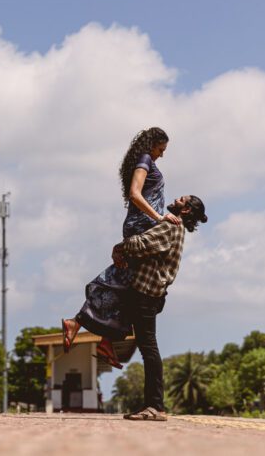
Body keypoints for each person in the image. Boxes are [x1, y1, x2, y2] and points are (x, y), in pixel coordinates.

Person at [62, 127, 180, 367]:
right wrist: (160, 218)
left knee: (129, 287)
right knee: (123, 281)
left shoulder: (144, 159)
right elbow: (135, 194)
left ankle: (105, 340)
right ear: (151, 145)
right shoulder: (145, 159)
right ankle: (77, 321)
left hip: (141, 227)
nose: (161, 155)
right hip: (140, 228)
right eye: (161, 149)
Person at [112, 194, 207, 421]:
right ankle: (153, 405)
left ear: (185, 210)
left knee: (149, 349)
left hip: (146, 292)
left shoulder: (171, 225)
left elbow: (144, 243)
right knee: (146, 347)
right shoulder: (175, 226)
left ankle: (155, 406)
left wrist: (120, 246)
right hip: (150, 293)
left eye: (181, 199)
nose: (175, 199)